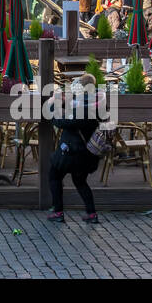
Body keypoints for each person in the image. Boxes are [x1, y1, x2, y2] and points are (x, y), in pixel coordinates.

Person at [47, 74, 102, 223]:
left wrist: (53, 103)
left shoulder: (82, 107)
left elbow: (60, 121)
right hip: (88, 153)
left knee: (54, 175)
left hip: (72, 152)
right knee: (80, 180)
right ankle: (91, 213)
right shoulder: (96, 103)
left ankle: (57, 211)